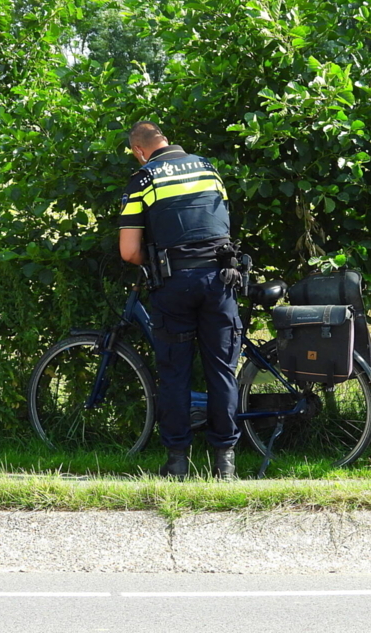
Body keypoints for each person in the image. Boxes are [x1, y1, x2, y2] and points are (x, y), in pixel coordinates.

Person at [118, 121, 241, 480]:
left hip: (175, 283)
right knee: (221, 371)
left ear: (139, 150)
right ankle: (225, 465)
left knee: (174, 374)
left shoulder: (144, 177)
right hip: (220, 280)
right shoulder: (208, 167)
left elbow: (128, 252)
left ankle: (177, 464)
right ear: (166, 141)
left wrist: (155, 264)